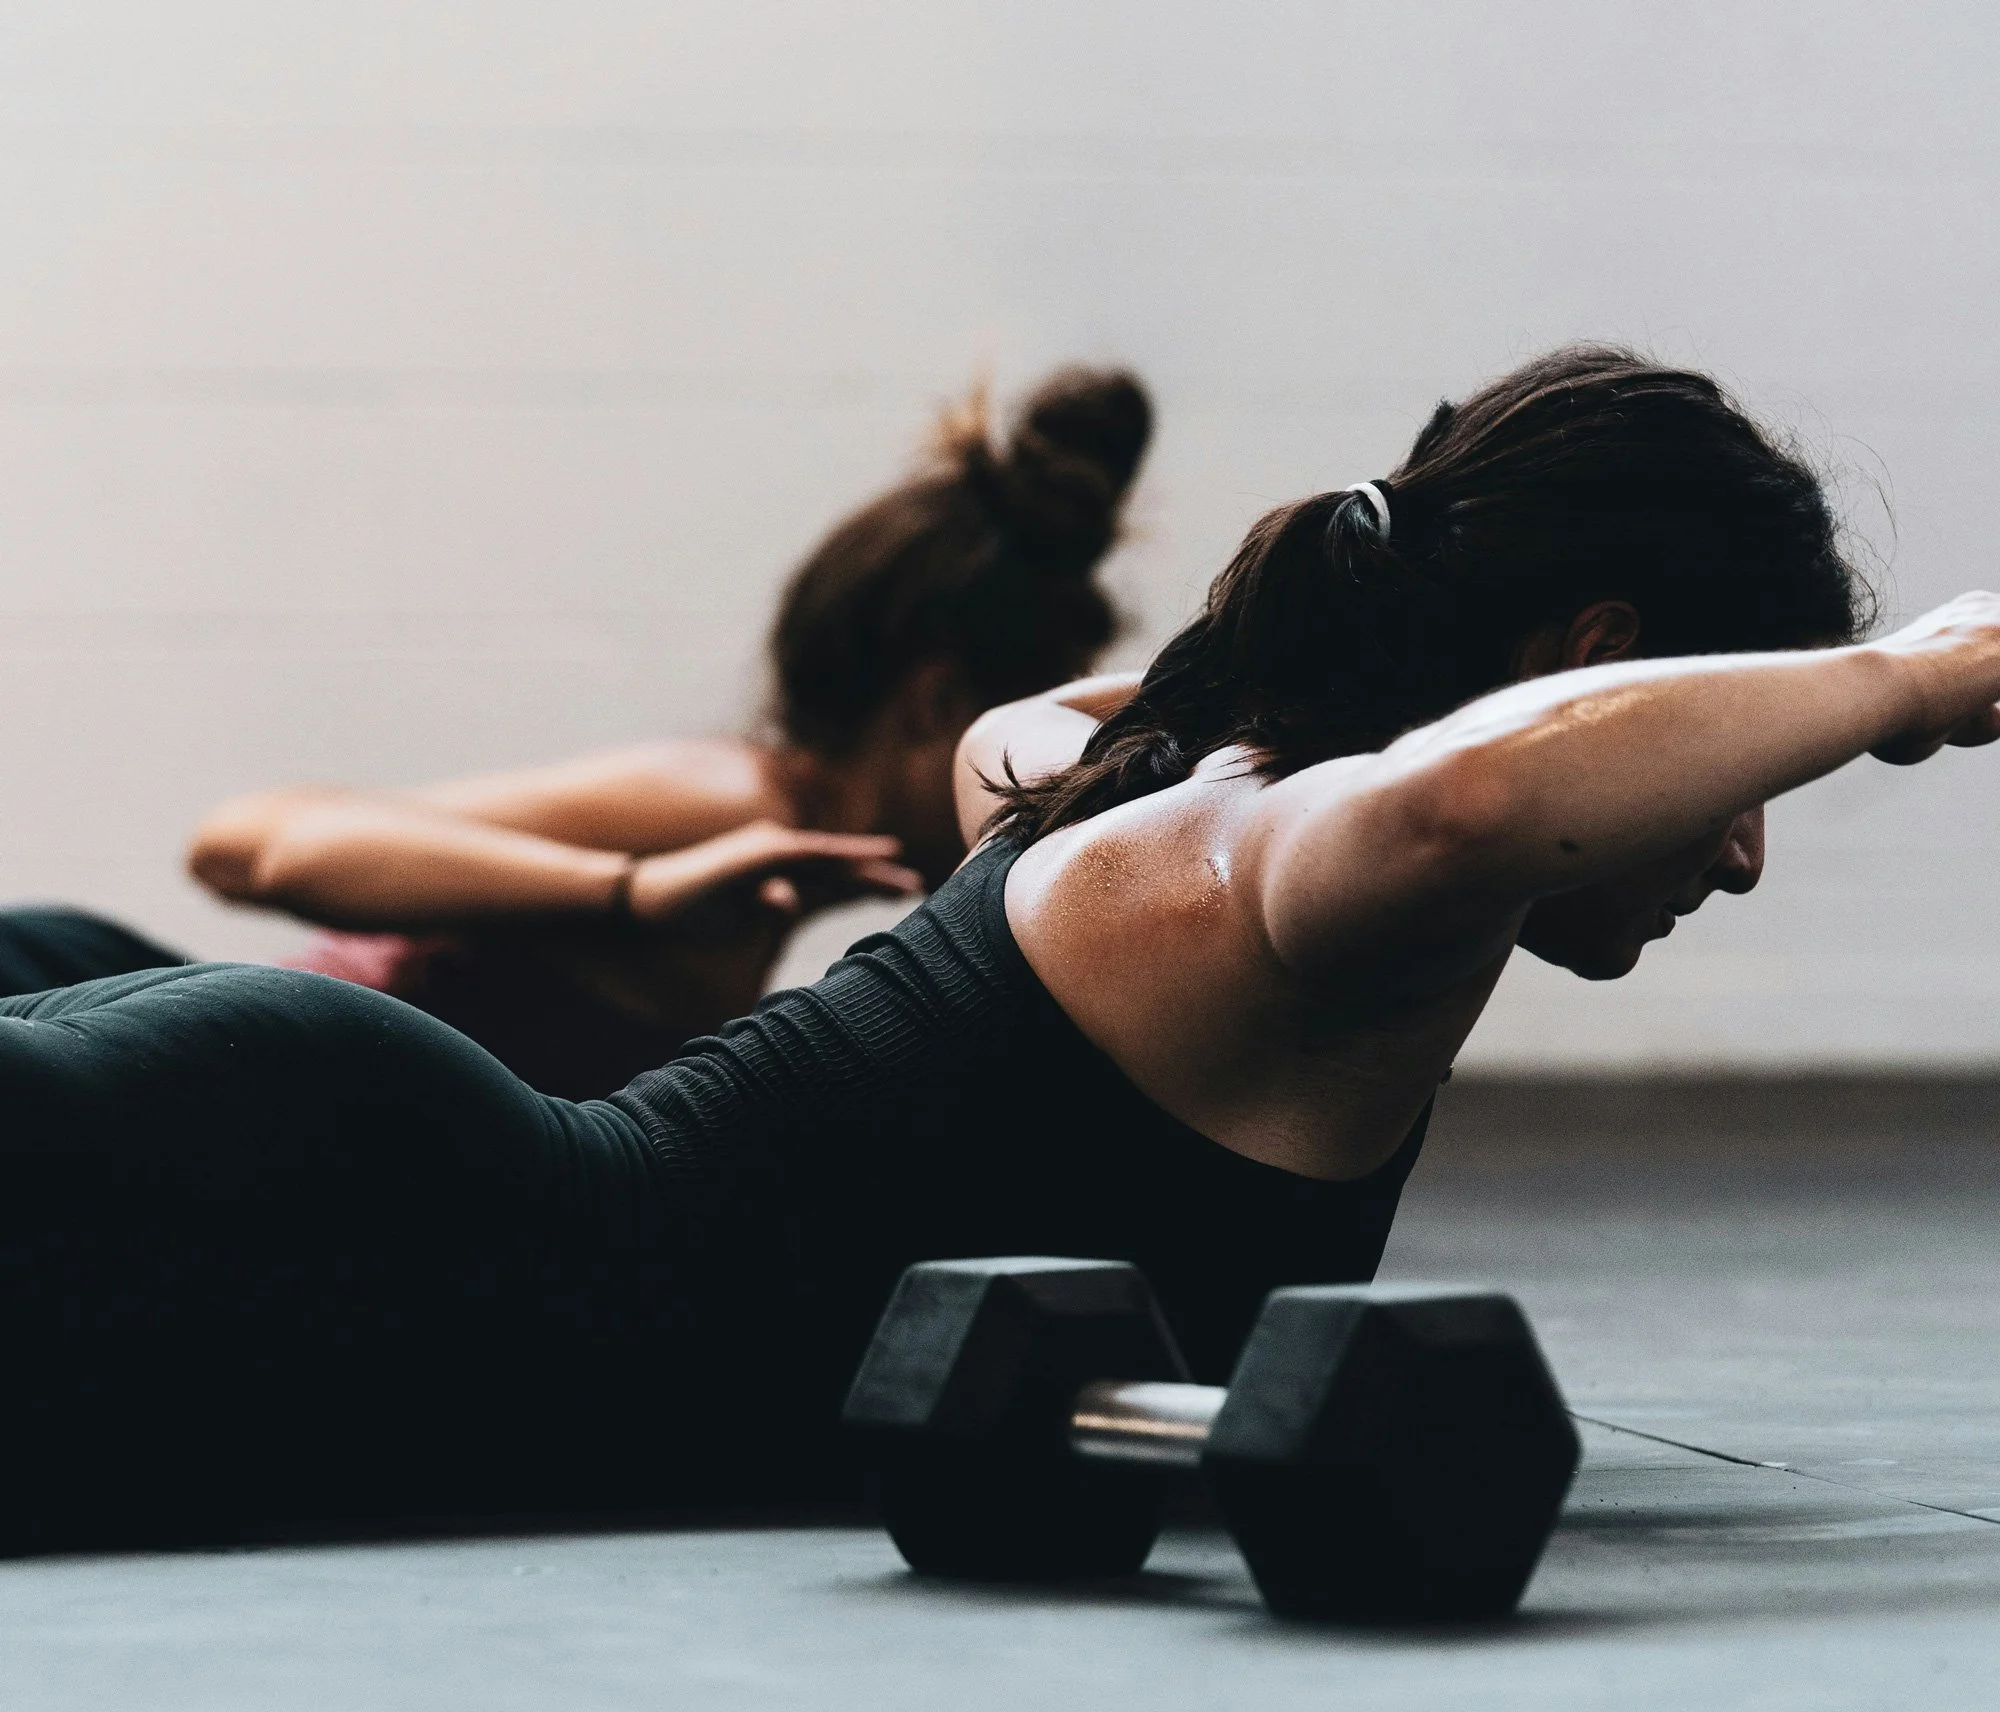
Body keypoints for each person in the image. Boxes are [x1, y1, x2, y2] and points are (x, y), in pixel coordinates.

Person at [3, 343, 1984, 1557]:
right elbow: (1462, 803)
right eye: (1729, 774)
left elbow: (1018, 734)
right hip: (319, 1240)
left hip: (326, 1231)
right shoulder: (1286, 874)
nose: (1729, 847)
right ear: (1592, 673)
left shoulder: (1128, 772)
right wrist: (1903, 682)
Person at [0, 366, 1153, 1099]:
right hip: (184, 1086)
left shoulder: (765, 877)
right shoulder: (723, 807)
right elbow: (252, 845)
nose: (1042, 791)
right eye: (1030, 738)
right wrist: (629, 892)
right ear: (930, 704)